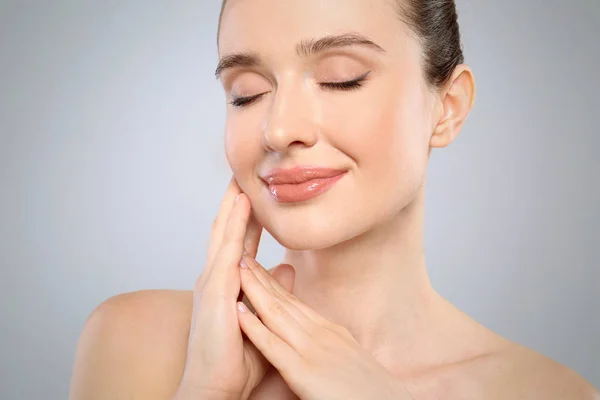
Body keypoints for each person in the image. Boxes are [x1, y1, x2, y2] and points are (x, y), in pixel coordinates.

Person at [69, 0, 599, 399]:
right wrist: (205, 389)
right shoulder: (137, 343)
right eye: (246, 92)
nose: (278, 129)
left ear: (448, 108)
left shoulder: (546, 392)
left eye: (340, 79)